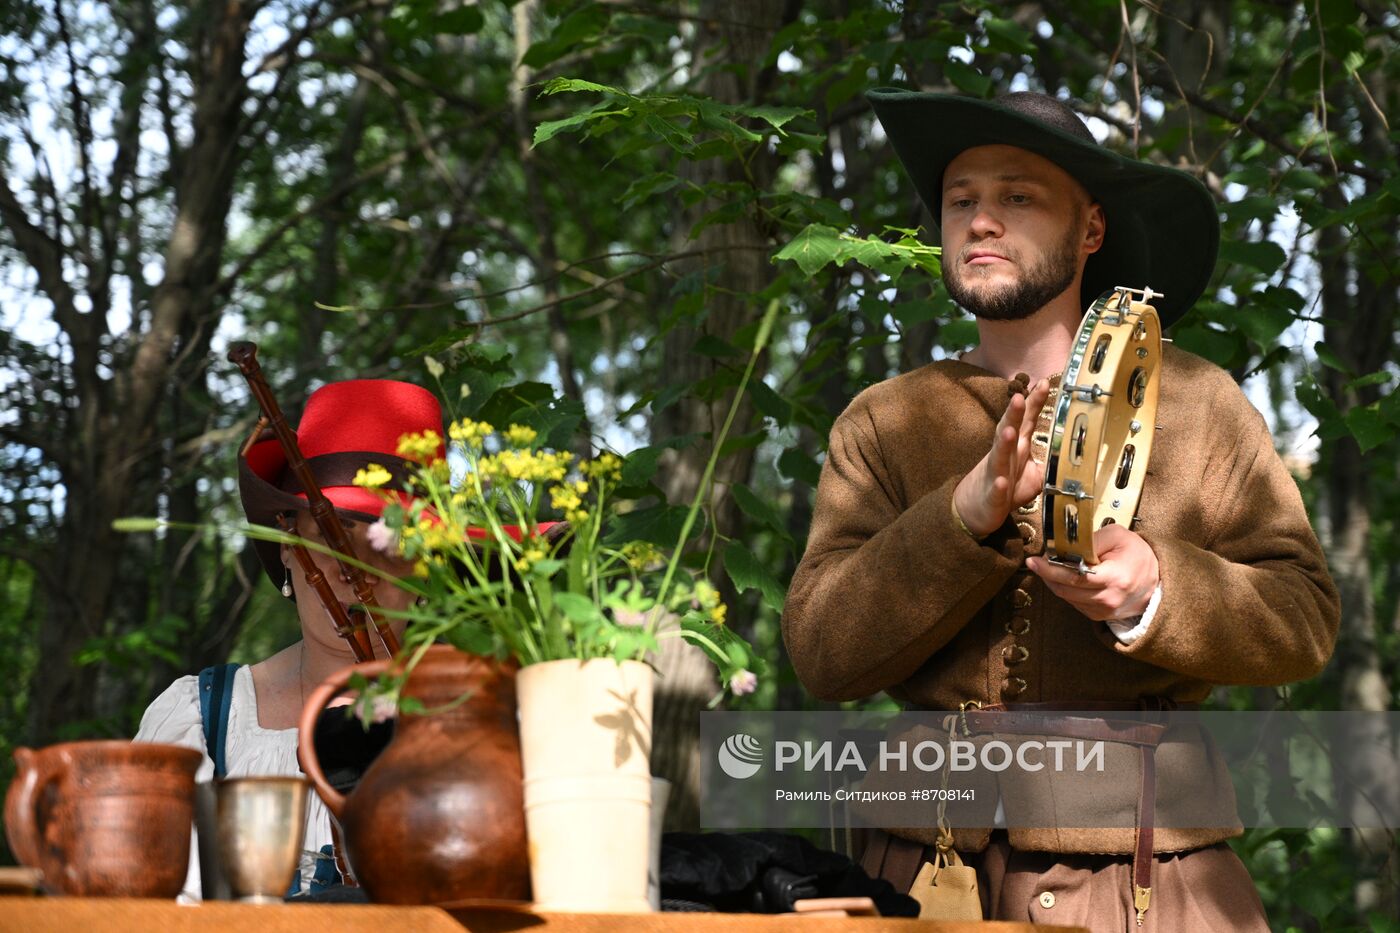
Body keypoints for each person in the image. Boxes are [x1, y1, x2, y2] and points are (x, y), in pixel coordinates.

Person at [782, 90, 1340, 930]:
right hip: (917, 873)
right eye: (960, 200)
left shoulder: (1200, 404)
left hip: (1158, 878)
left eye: (1017, 197)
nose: (979, 221)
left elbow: (1305, 617)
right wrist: (959, 519)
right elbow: (822, 653)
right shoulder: (885, 419)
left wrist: (1158, 588)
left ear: (1090, 230)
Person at [135, 378, 438, 900]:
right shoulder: (204, 721)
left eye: (389, 541)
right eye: (333, 535)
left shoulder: (487, 724)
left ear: (429, 567)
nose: (355, 571)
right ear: (289, 547)